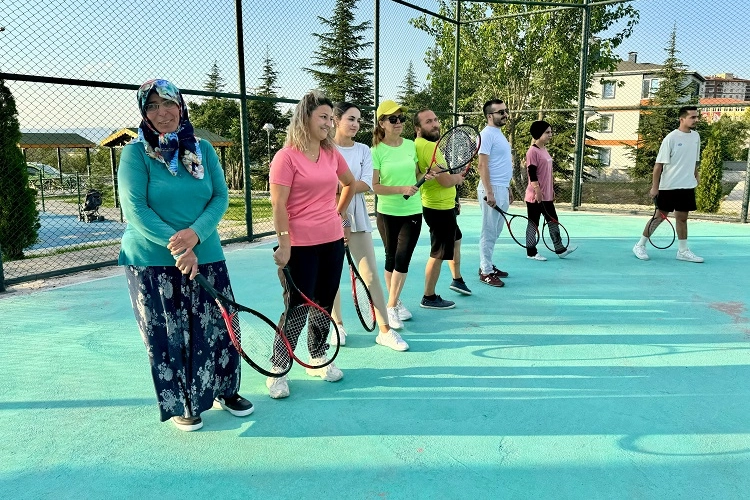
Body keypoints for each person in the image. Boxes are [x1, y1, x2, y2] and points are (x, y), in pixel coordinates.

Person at [118, 79, 253, 432]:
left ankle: (225, 389)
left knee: (220, 329)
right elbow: (135, 209)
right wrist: (180, 246)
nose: (162, 113)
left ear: (181, 106)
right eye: (152, 106)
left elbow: (219, 197)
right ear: (143, 112)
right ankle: (184, 403)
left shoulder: (203, 150)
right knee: (169, 335)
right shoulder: (135, 154)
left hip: (206, 252)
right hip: (152, 260)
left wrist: (196, 235)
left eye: (168, 104)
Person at [268, 90, 356, 399]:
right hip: (299, 245)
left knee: (324, 302)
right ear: (305, 118)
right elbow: (278, 206)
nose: (329, 123)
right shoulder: (286, 157)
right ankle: (278, 368)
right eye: (323, 116)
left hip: (331, 241)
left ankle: (317, 357)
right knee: (297, 307)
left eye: (331, 118)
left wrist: (338, 213)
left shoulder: (331, 153)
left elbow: (350, 184)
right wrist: (285, 244)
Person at [329, 102, 409, 351]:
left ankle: (384, 330)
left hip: (358, 216)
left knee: (371, 275)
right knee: (331, 277)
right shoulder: (324, 148)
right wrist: (338, 208)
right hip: (326, 218)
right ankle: (338, 324)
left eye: (358, 120)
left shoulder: (363, 150)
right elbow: (324, 184)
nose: (355, 124)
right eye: (350, 119)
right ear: (336, 119)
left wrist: (340, 190)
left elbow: (367, 184)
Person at [371, 99, 432, 329]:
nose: (398, 123)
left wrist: (427, 174)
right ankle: (395, 303)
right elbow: (375, 186)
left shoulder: (411, 146)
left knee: (402, 259)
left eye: (401, 119)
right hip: (387, 212)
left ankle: (391, 305)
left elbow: (417, 172)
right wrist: (400, 189)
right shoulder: (376, 150)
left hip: (413, 210)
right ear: (382, 123)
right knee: (390, 258)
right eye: (393, 119)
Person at [413, 108, 470, 309]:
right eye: (429, 121)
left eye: (436, 119)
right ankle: (428, 296)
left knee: (456, 239)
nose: (435, 124)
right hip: (439, 208)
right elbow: (446, 181)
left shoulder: (420, 145)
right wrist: (457, 178)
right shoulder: (429, 148)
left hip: (441, 205)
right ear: (418, 128)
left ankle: (457, 279)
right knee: (438, 252)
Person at [633, 106, 704, 263]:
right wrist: (654, 187)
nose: (696, 120)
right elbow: (658, 165)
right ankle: (640, 245)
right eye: (692, 117)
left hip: (687, 187)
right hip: (669, 186)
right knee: (659, 217)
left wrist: (696, 178)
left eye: (696, 117)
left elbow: (693, 161)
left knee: (682, 218)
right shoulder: (670, 138)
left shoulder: (696, 137)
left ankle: (683, 251)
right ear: (682, 119)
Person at [524, 120, 577, 260]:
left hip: (546, 195)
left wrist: (550, 190)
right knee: (533, 223)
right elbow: (532, 172)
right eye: (547, 132)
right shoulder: (532, 151)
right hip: (535, 196)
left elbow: (547, 172)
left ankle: (560, 249)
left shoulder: (544, 149)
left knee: (553, 220)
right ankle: (531, 252)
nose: (550, 135)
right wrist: (538, 191)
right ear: (538, 134)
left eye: (550, 132)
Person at [476, 99, 513, 287]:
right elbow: (482, 165)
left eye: (505, 111)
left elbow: (502, 163)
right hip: (491, 189)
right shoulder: (486, 135)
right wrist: (490, 192)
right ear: (490, 116)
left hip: (501, 188)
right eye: (501, 112)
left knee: (496, 231)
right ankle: (486, 271)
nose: (505, 114)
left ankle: (487, 264)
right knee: (489, 231)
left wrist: (508, 188)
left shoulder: (498, 134)